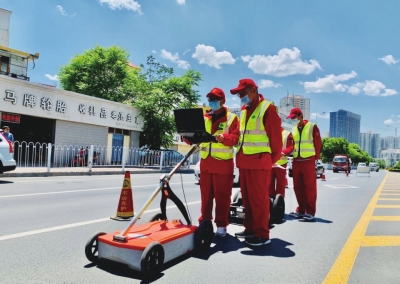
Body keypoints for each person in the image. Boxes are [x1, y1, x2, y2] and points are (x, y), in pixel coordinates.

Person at [230, 79, 282, 246]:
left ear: (253, 90)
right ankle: (250, 229)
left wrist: (269, 161)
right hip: (245, 161)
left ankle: (262, 234)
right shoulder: (245, 110)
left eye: (243, 93)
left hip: (260, 162)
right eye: (239, 94)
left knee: (259, 199)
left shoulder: (267, 108)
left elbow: (276, 140)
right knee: (247, 199)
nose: (241, 97)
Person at [184, 87, 239, 237]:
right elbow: (197, 137)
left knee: (222, 197)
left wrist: (224, 138)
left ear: (223, 101)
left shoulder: (232, 118)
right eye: (210, 100)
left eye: (215, 100)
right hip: (206, 164)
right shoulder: (204, 118)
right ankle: (205, 222)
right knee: (206, 197)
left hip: (223, 165)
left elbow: (235, 138)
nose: (212, 103)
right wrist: (187, 136)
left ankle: (221, 225)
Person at [286, 107, 322, 221]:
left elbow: (317, 142)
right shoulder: (294, 129)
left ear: (300, 116)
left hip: (308, 160)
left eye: (294, 118)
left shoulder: (312, 126)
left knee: (309, 188)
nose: (292, 120)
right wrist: (284, 152)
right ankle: (301, 210)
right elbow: (291, 145)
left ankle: (310, 212)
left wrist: (316, 158)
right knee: (298, 187)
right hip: (297, 160)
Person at [269, 127, 294, 199]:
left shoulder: (286, 134)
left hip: (281, 164)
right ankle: (270, 202)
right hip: (270, 163)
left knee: (280, 185)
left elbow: (291, 146)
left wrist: (283, 152)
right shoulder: (269, 132)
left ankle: (279, 203)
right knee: (269, 184)